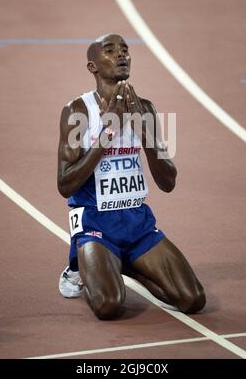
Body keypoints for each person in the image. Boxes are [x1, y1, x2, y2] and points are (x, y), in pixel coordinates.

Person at [57, 33, 206, 319]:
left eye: (125, 50)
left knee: (193, 299)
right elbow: (65, 184)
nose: (121, 55)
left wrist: (143, 128)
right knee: (109, 305)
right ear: (93, 67)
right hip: (94, 221)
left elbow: (168, 182)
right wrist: (108, 131)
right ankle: (80, 268)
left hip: (136, 222)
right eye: (110, 51)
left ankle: (125, 264)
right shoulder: (77, 111)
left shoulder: (145, 108)